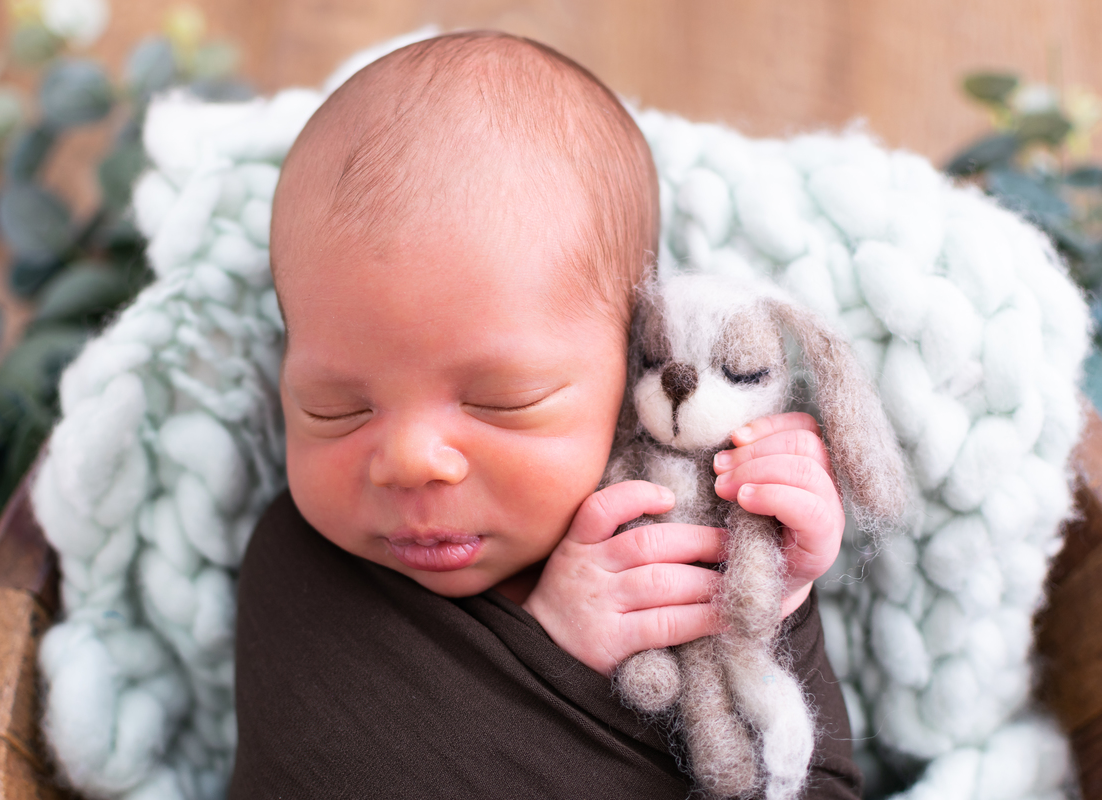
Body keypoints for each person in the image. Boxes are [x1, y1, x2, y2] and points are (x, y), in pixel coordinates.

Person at [230, 30, 861, 799]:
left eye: (503, 401)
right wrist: (557, 648)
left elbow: (812, 783)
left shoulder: (675, 543)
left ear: (632, 371)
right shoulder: (304, 566)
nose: (409, 459)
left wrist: (769, 601)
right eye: (335, 408)